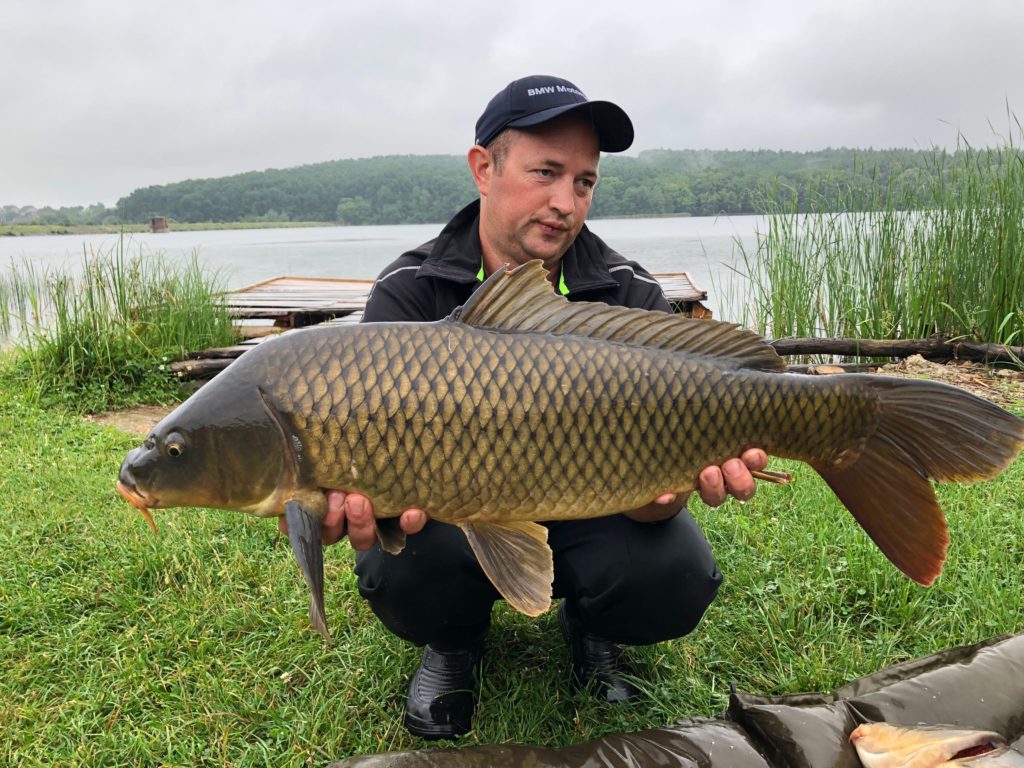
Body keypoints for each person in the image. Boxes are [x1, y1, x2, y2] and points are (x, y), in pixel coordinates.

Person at [281, 75, 767, 739]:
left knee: (674, 572)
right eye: (546, 172)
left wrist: (665, 490)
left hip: (594, 509)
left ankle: (593, 626)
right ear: (484, 167)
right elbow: (373, 485)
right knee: (399, 565)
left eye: (584, 182)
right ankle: (453, 641)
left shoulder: (626, 290)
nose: (566, 202)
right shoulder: (408, 293)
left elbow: (658, 503)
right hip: (456, 518)